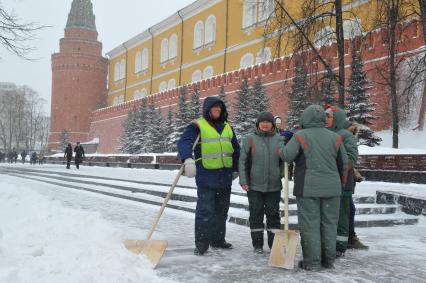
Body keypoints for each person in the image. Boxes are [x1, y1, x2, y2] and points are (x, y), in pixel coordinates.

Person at [279, 105, 348, 271]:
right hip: (332, 188)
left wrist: (281, 145)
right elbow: (344, 163)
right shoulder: (335, 137)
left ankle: (313, 262)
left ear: (305, 118)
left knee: (310, 225)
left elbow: (287, 156)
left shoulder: (300, 135)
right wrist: (341, 184)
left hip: (308, 188)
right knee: (330, 224)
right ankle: (328, 260)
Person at [178, 96, 240, 256]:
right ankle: (202, 243)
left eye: (220, 108)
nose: (217, 110)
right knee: (205, 211)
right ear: (207, 109)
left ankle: (218, 240)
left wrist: (236, 167)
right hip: (206, 176)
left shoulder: (228, 127)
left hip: (225, 176)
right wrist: (187, 159)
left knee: (221, 211)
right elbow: (184, 142)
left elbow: (236, 148)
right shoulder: (197, 125)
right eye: (214, 108)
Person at [239, 112, 284, 254]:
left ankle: (274, 245)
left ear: (272, 124)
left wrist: (280, 174)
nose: (265, 124)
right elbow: (242, 161)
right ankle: (257, 244)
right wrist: (244, 180)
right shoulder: (250, 139)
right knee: (256, 215)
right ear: (257, 124)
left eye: (268, 122)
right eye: (262, 121)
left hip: (274, 186)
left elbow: (284, 160)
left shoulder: (279, 139)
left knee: (273, 216)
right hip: (254, 185)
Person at [325, 105, 359, 258]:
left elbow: (351, 159)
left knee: (342, 215)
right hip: (327, 183)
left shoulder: (346, 135)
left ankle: (340, 246)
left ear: (337, 118)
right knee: (329, 215)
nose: (325, 119)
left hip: (343, 182)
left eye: (329, 117)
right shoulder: (324, 133)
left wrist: (332, 167)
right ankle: (329, 243)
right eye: (324, 116)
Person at [344, 120, 369, 250]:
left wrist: (356, 175)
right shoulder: (344, 141)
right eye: (351, 132)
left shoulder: (349, 142)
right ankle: (349, 238)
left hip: (348, 182)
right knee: (347, 211)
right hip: (342, 183)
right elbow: (345, 162)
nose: (353, 135)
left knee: (349, 210)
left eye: (354, 132)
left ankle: (350, 238)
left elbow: (350, 163)